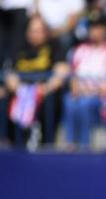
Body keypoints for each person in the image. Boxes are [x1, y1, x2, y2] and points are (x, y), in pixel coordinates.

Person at [64, 10, 106, 150]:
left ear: (105, 30)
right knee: (69, 101)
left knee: (84, 104)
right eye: (92, 27)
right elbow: (73, 76)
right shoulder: (79, 49)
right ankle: (70, 143)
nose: (95, 31)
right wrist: (77, 87)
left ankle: (84, 145)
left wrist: (94, 90)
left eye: (99, 27)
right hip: (81, 93)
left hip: (103, 97)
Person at [5, 15, 70, 148]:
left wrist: (43, 90)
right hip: (21, 93)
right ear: (27, 32)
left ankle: (46, 145)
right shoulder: (18, 46)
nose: (37, 34)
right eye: (33, 30)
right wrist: (22, 90)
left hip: (46, 92)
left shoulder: (54, 45)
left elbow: (62, 71)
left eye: (40, 30)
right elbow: (9, 72)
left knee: (50, 102)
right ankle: (10, 144)